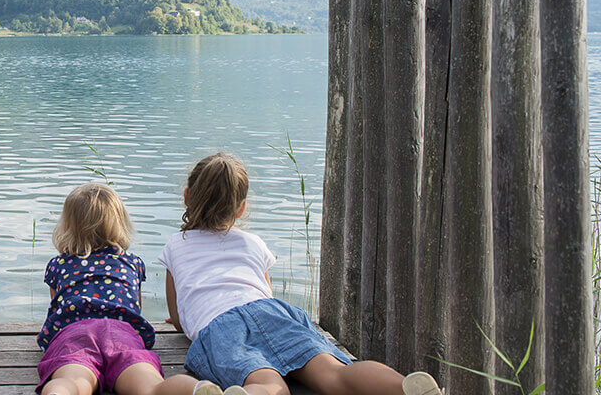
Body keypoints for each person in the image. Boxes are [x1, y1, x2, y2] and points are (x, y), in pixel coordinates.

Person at [159, 153, 443, 395]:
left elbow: (181, 319)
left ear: (187, 197)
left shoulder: (177, 245)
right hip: (270, 312)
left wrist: (180, 318)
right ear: (242, 208)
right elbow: (265, 293)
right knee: (334, 373)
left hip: (220, 325)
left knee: (268, 382)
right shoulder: (253, 242)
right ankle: (405, 385)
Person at [37, 183, 225, 395]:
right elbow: (135, 308)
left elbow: (57, 309)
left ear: (68, 225)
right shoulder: (132, 263)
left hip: (75, 332)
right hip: (121, 333)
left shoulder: (58, 264)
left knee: (73, 381)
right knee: (151, 388)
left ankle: (60, 392)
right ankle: (198, 388)